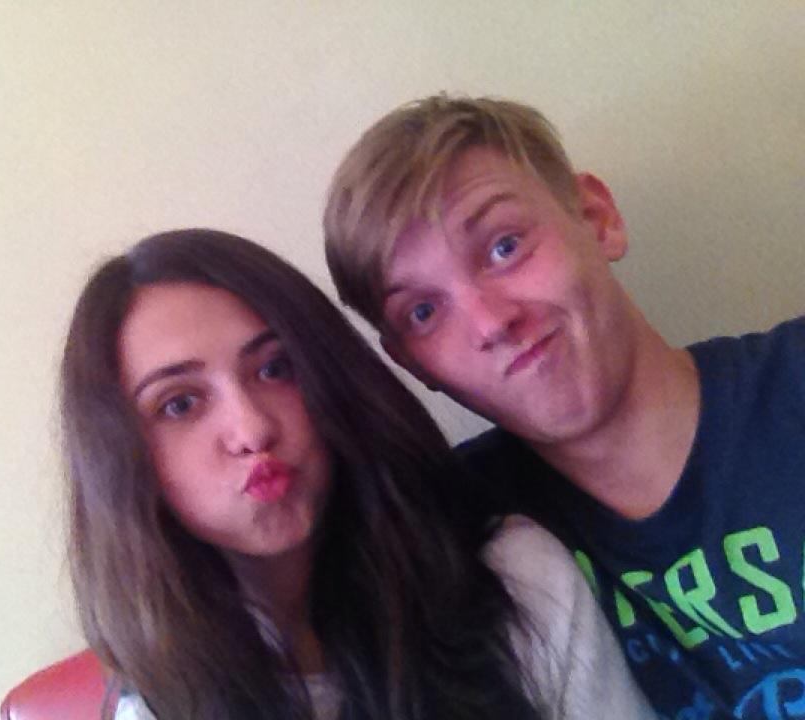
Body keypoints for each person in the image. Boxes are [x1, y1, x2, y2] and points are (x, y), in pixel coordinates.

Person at [322, 93, 805, 720]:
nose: (490, 322)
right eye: (423, 311)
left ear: (597, 220)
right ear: (413, 364)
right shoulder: (448, 531)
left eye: (504, 247)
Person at [59, 228, 654, 720]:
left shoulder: (511, 579)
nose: (252, 430)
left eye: (276, 369)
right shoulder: (157, 705)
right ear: (122, 457)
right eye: (180, 404)